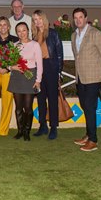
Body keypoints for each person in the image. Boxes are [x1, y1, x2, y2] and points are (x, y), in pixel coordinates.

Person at [72, 7, 101, 152]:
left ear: (86, 18)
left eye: (80, 17)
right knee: (84, 106)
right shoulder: (74, 35)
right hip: (80, 77)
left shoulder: (95, 34)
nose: (78, 20)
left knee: (89, 107)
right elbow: (78, 56)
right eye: (75, 18)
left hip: (94, 77)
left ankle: (93, 140)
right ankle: (88, 135)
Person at [7, 22, 43, 141]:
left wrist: (38, 80)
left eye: (24, 30)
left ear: (28, 31)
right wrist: (12, 67)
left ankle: (27, 131)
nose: (22, 33)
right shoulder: (14, 45)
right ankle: (20, 131)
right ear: (16, 33)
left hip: (30, 77)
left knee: (28, 108)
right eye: (19, 31)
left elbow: (40, 64)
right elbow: (8, 63)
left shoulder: (35, 45)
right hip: (17, 78)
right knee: (18, 107)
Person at [32, 10, 64, 140]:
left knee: (52, 99)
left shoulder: (53, 33)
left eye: (39, 18)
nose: (37, 21)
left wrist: (59, 71)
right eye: (35, 19)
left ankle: (54, 128)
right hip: (38, 70)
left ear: (44, 19)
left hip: (51, 68)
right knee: (40, 99)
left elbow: (60, 54)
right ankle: (43, 126)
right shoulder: (34, 35)